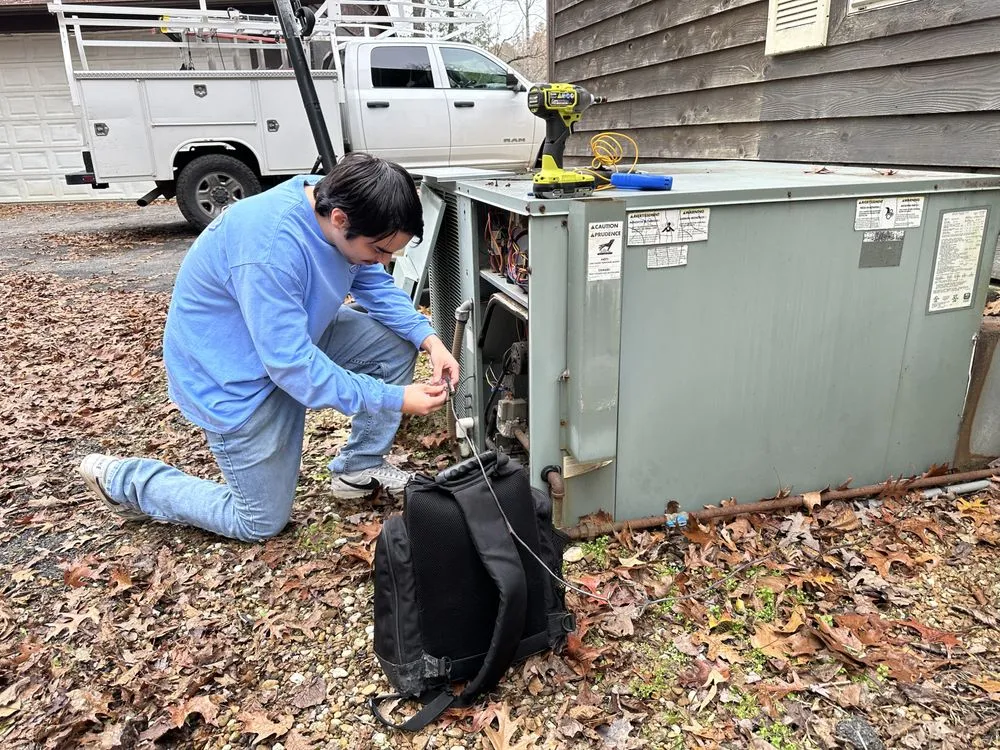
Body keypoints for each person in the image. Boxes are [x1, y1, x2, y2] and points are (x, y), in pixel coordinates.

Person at [77, 152, 459, 542]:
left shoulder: (330, 205)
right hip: (230, 374)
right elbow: (293, 368)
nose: (384, 259)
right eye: (379, 250)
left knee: (394, 344)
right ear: (341, 219)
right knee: (258, 521)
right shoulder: (270, 248)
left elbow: (372, 281)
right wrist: (393, 398)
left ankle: (357, 467)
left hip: (288, 335)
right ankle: (125, 479)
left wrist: (428, 340)